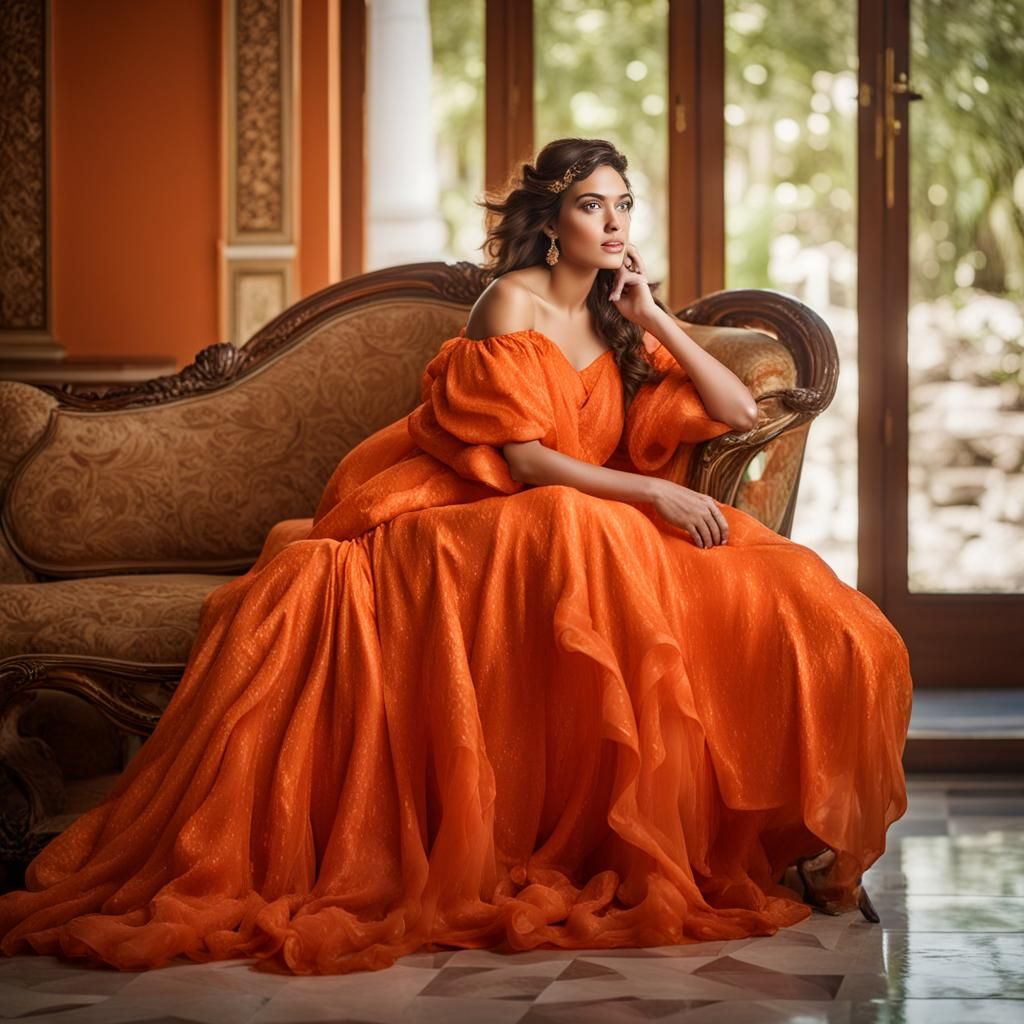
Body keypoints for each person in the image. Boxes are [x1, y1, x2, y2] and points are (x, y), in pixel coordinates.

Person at [0, 137, 912, 977]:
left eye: (624, 205)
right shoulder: (509, 300)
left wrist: (659, 317)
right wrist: (655, 492)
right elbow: (519, 460)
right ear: (552, 221)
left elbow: (738, 412)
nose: (615, 222)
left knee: (786, 587)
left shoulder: (621, 318)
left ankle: (765, 834)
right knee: (575, 524)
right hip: (464, 510)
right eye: (594, 206)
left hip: (572, 517)